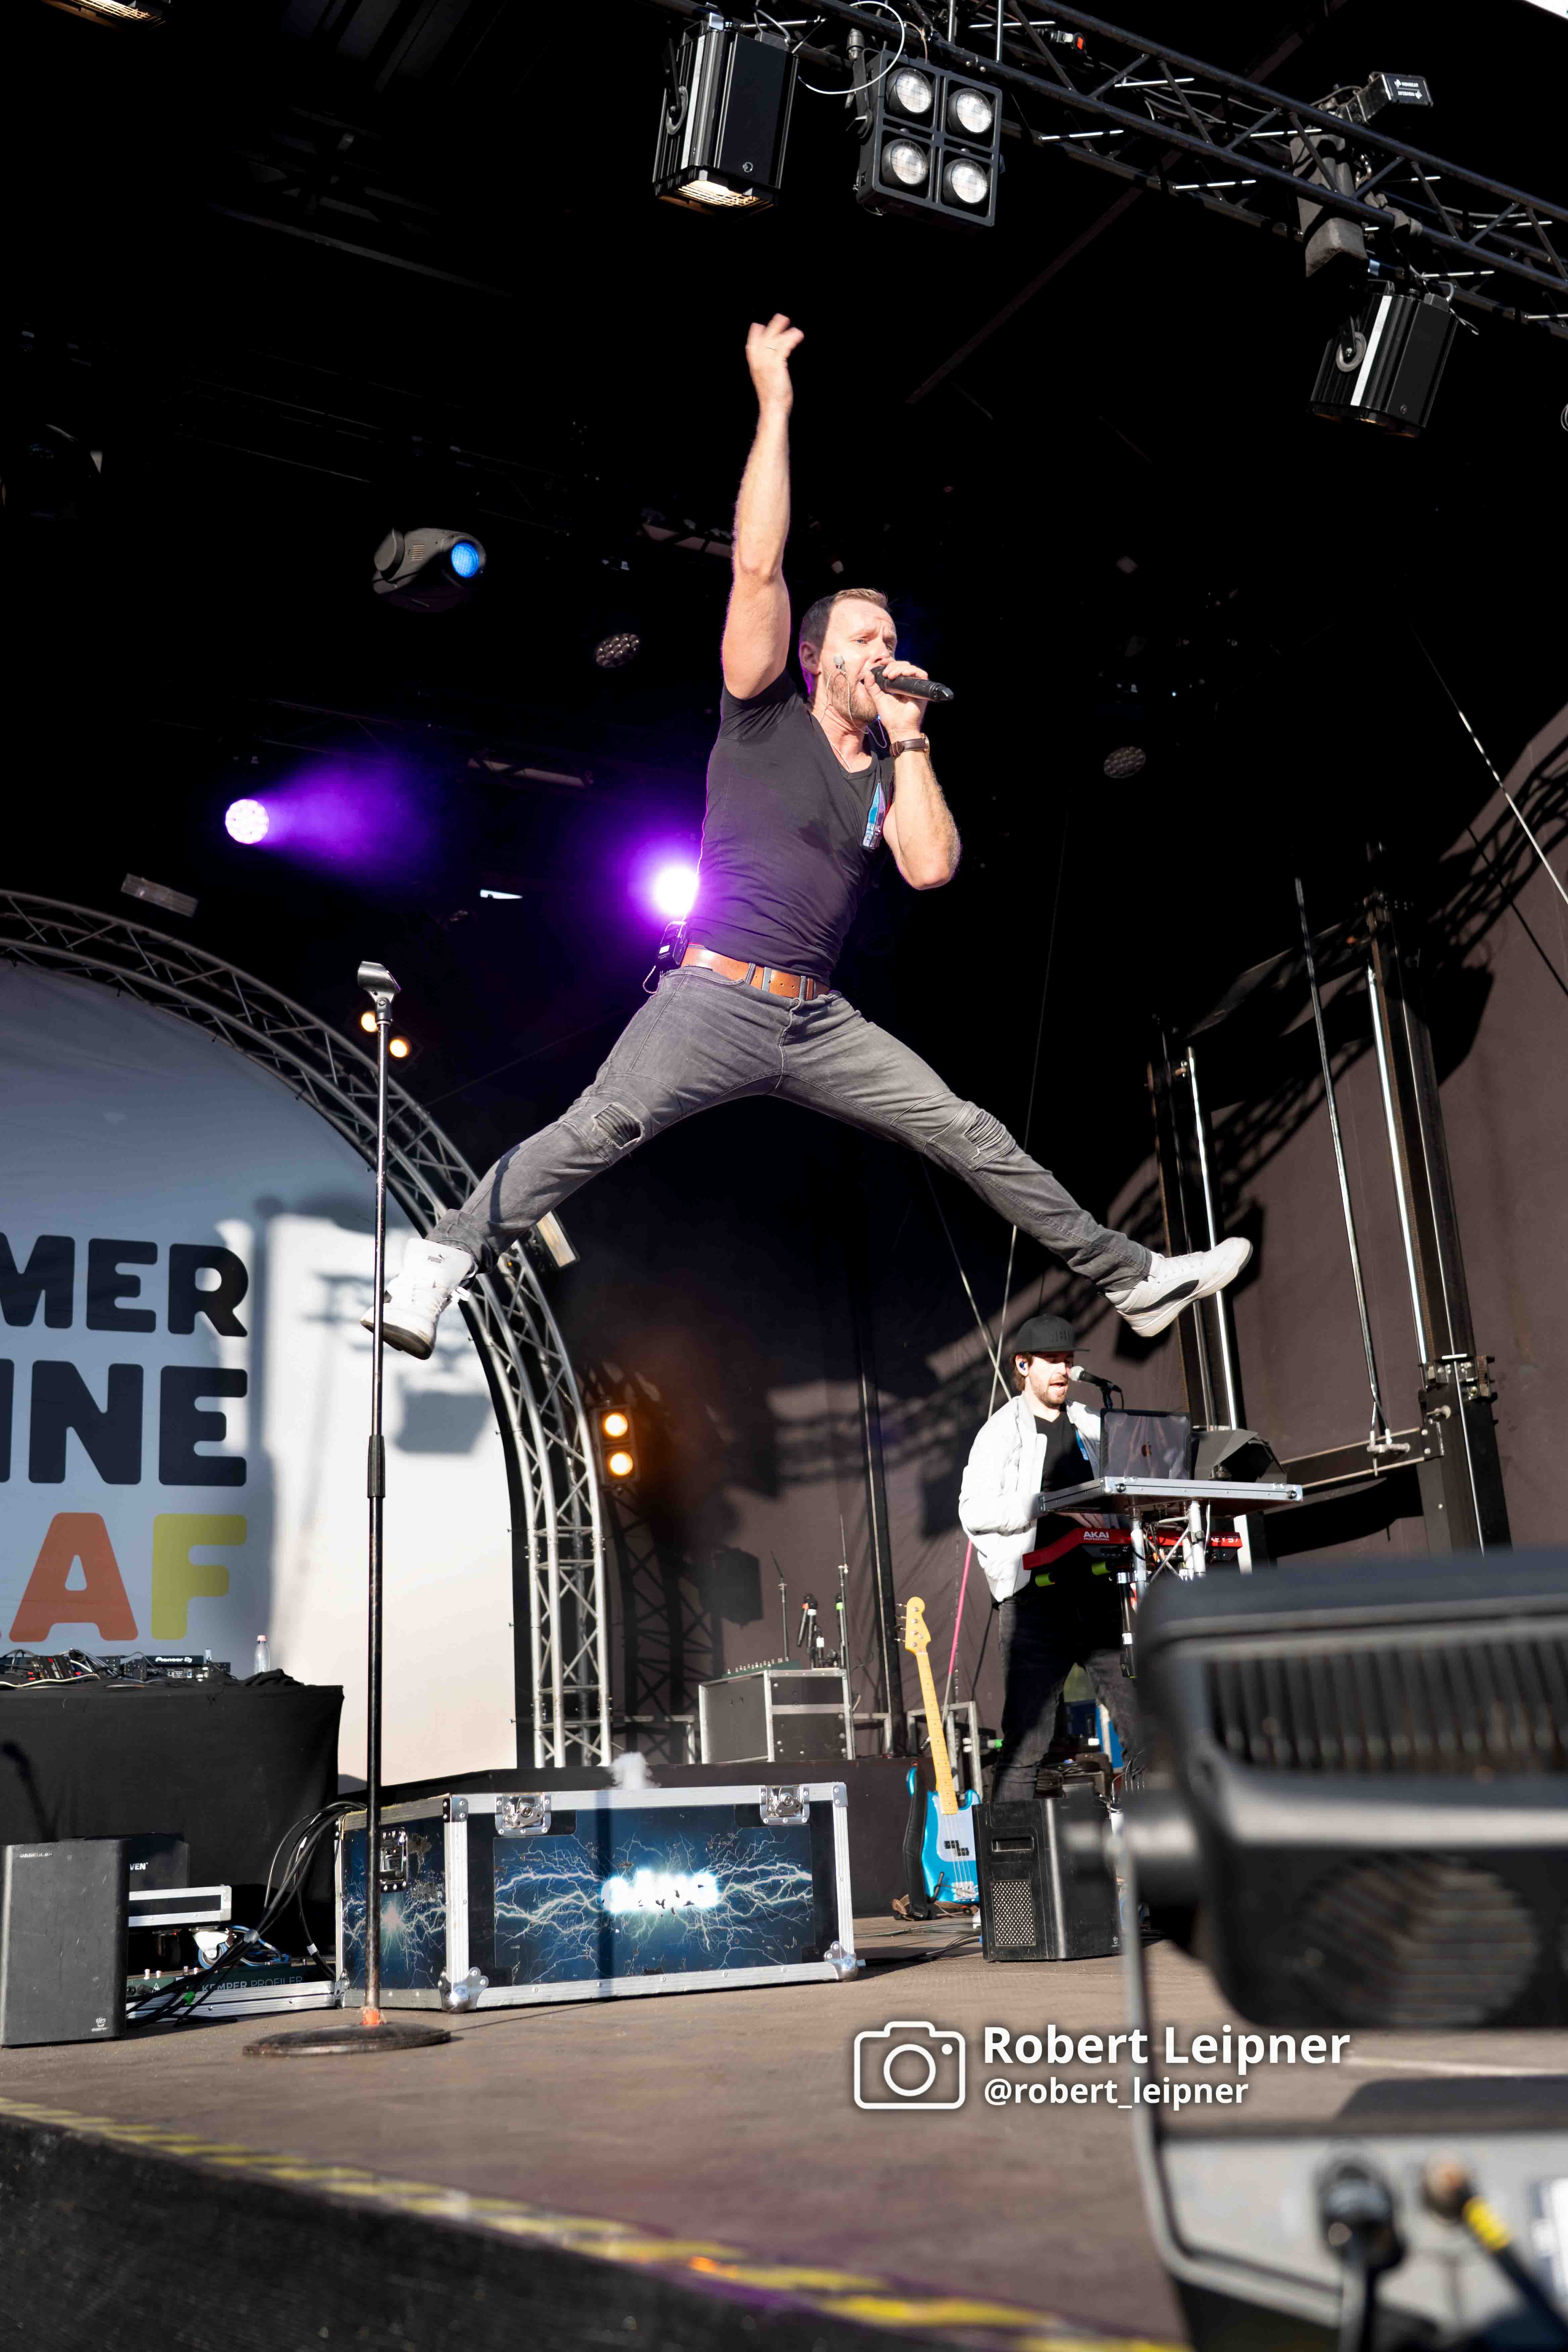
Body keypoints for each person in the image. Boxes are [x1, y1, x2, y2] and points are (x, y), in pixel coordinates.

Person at [365, 316, 1249, 1359]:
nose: (886, 651)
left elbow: (932, 868)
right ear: (818, 656)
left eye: (894, 640)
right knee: (599, 1129)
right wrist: (776, 401)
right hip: (711, 998)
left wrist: (911, 737)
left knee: (964, 1129)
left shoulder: (889, 761)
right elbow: (757, 564)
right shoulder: (762, 714)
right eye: (867, 639)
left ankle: (1133, 1278)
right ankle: (440, 1262)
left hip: (817, 1019)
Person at [959, 1312, 1143, 1800]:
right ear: (1024, 1366)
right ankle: (1009, 1852)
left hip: (1098, 1596)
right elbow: (974, 1510)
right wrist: (1042, 1504)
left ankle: (1163, 1834)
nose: (1063, 1370)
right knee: (1027, 1746)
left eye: (1067, 1360)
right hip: (1036, 1603)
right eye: (1052, 1361)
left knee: (1146, 1727)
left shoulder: (1088, 1423)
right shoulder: (1001, 1432)